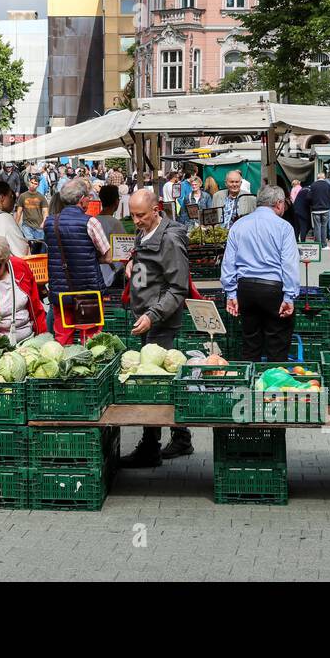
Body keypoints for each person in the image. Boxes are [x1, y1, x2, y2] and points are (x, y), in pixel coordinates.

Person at [121, 188, 193, 467]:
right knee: (159, 380)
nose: (136, 221)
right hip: (145, 316)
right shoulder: (146, 231)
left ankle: (151, 446)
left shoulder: (171, 240)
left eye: (140, 215)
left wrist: (153, 315)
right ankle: (181, 438)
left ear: (156, 210)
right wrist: (132, 264)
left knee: (155, 384)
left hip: (160, 321)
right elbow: (147, 262)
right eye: (133, 216)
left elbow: (178, 288)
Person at [221, 185, 300, 362]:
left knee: (250, 343)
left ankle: (249, 385)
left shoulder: (239, 225)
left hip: (245, 289)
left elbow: (228, 262)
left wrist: (231, 292)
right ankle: (273, 384)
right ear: (279, 204)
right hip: (273, 290)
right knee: (277, 346)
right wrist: (289, 297)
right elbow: (289, 264)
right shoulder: (284, 227)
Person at [43, 177, 112, 344]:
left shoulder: (50, 222)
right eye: (88, 196)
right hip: (88, 291)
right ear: (82, 200)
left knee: (62, 336)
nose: (90, 199)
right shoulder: (90, 222)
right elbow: (108, 256)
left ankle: (64, 367)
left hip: (60, 290)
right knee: (90, 338)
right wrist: (90, 257)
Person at [0, 181, 31, 258]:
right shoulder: (5, 218)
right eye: (10, 196)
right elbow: (21, 250)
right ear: (2, 197)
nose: (12, 201)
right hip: (4, 267)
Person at [94, 185, 125, 287]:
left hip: (96, 272)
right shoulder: (115, 223)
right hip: (112, 275)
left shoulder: (93, 221)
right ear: (117, 201)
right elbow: (123, 252)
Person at [16, 183, 48, 249]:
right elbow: (19, 211)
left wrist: (44, 222)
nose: (32, 185)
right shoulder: (23, 196)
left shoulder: (41, 197)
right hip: (27, 225)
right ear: (29, 182)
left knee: (38, 247)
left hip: (39, 226)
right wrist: (15, 224)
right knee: (29, 244)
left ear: (38, 185)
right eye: (31, 182)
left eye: (35, 184)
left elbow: (45, 212)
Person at [308, 173, 330, 247]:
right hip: (325, 209)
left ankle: (317, 245)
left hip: (315, 210)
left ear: (317, 178)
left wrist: (312, 204)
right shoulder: (328, 186)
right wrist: (326, 203)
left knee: (317, 227)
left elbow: (308, 197)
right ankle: (324, 244)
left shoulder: (313, 185)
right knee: (324, 226)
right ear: (324, 177)